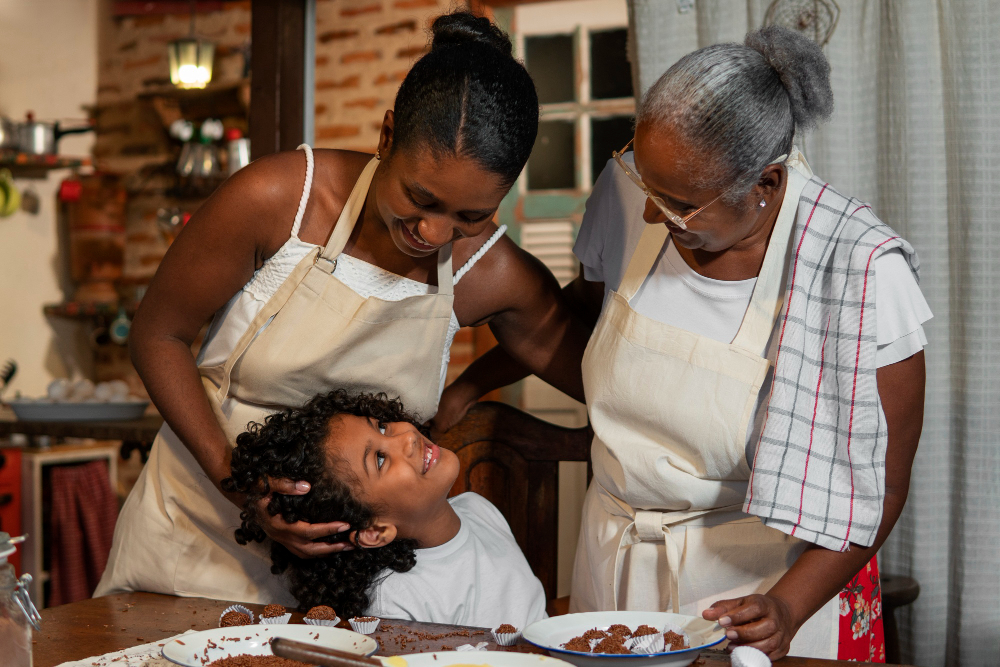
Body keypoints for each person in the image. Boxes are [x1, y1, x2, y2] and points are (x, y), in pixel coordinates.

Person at [440, 26, 928, 662]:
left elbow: (881, 490)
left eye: (680, 205)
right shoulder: (628, 194)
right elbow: (575, 324)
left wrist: (785, 607)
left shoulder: (860, 272)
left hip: (759, 591)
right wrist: (471, 384)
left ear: (768, 184)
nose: (651, 216)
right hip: (610, 567)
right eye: (648, 187)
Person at [96, 11, 587, 604]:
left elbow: (596, 375)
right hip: (192, 541)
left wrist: (468, 388)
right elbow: (157, 335)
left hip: (342, 587)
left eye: (471, 216)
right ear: (385, 138)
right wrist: (241, 486)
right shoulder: (279, 201)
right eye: (420, 198)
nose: (434, 233)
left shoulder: (492, 273)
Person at [224, 389, 547, 627]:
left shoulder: (479, 509)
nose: (406, 435)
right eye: (379, 458)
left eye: (381, 426)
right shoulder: (396, 599)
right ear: (374, 531)